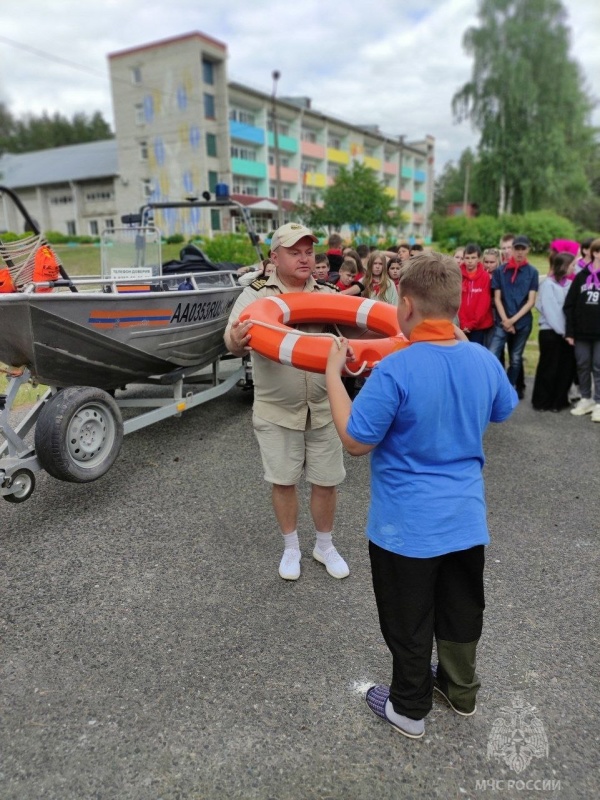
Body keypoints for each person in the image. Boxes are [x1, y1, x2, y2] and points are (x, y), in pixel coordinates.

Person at [325, 252, 517, 739]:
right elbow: (502, 410)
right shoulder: (482, 358)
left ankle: (408, 709)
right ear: (454, 304)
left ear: (404, 305)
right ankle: (460, 691)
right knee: (460, 608)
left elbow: (355, 442)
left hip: (405, 528)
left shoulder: (395, 370)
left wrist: (332, 376)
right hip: (466, 520)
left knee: (409, 618)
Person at [224, 222, 349, 581]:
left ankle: (324, 545)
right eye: (295, 252)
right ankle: (291, 547)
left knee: (327, 481)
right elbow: (232, 343)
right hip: (277, 409)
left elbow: (355, 332)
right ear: (275, 256)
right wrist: (235, 338)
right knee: (284, 480)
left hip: (323, 408)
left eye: (309, 251)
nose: (305, 258)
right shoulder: (255, 296)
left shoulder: (327, 293)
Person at [488, 235, 539, 396]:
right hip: (502, 321)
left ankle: (508, 390)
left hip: (522, 323)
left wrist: (513, 321)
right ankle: (493, 387)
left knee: (516, 358)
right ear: (512, 249)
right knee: (492, 355)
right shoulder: (500, 272)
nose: (519, 252)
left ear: (528, 250)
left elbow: (531, 301)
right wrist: (505, 321)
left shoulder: (532, 272)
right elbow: (497, 298)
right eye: (516, 248)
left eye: (523, 249)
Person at [531, 252, 577, 412]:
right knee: (548, 368)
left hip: (565, 334)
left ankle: (558, 401)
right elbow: (552, 312)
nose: (573, 268)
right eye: (571, 265)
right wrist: (565, 332)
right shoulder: (548, 285)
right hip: (551, 332)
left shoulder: (569, 285)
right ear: (563, 266)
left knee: (564, 368)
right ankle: (542, 401)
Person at [564, 237, 600, 422]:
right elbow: (569, 306)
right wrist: (570, 332)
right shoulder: (581, 277)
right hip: (581, 332)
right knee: (583, 365)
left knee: (599, 366)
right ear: (594, 253)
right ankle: (586, 398)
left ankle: (599, 402)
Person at [458, 243, 493, 345]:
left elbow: (484, 303)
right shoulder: (458, 275)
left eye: (473, 258)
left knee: (475, 353)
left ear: (479, 259)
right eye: (467, 258)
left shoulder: (484, 277)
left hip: (478, 326)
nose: (470, 261)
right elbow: (457, 300)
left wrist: (472, 324)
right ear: (463, 258)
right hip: (461, 325)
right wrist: (463, 323)